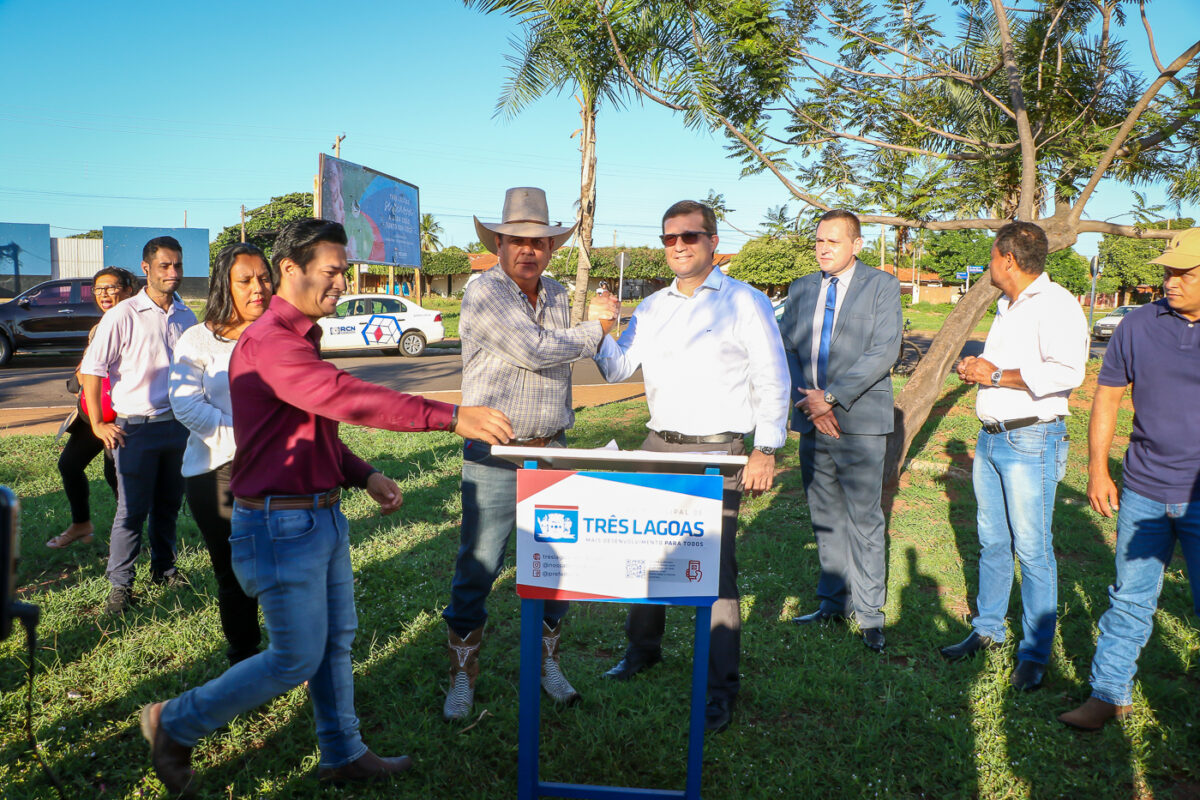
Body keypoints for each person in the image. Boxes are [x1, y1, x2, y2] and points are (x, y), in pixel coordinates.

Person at [139, 219, 512, 795]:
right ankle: (175, 721)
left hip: (318, 515)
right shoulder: (270, 344)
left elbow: (313, 430)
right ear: (292, 270)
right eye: (333, 271)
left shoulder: (297, 337)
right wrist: (449, 414)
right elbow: (344, 397)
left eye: (344, 270)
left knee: (336, 643)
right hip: (280, 524)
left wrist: (363, 474)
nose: (342, 282)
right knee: (293, 657)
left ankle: (342, 753)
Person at [593, 199, 789, 733]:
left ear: (712, 242)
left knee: (715, 569)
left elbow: (773, 377)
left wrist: (765, 448)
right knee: (647, 551)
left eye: (690, 236)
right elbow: (615, 369)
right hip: (659, 445)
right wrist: (604, 327)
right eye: (668, 238)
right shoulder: (653, 307)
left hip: (718, 451)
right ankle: (642, 651)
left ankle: (722, 687)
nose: (678, 245)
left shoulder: (746, 303)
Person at [440, 187, 619, 721]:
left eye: (538, 242)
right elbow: (534, 349)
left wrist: (589, 332)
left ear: (551, 247)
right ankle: (462, 675)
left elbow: (557, 364)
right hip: (496, 451)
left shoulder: (559, 293)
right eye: (516, 240)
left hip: (551, 450)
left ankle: (548, 663)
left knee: (554, 562)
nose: (528, 250)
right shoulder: (483, 292)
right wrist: (597, 330)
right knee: (480, 564)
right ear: (498, 242)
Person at [1058, 228, 1200, 730]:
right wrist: (1097, 469)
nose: (1170, 281)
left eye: (1183, 272)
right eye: (1167, 271)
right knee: (1130, 597)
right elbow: (1109, 396)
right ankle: (1109, 694)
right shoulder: (1138, 324)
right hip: (1142, 487)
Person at [939, 221, 1088, 692]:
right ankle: (987, 630)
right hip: (992, 439)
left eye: (990, 256)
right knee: (993, 541)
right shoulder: (1008, 304)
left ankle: (1034, 654)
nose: (988, 264)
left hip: (1032, 441)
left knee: (1033, 549)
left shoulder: (1058, 304)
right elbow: (1000, 370)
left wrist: (996, 374)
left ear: (1007, 258)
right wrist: (977, 369)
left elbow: (1069, 372)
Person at [779, 209, 901, 652]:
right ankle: (832, 604)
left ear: (857, 244)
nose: (823, 248)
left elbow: (884, 350)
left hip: (861, 422)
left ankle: (869, 615)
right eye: (818, 241)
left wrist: (829, 398)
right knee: (825, 515)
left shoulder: (882, 286)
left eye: (832, 241)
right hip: (814, 420)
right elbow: (787, 348)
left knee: (865, 519)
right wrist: (811, 402)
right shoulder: (802, 288)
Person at [80, 237, 197, 614]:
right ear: (146, 268)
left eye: (177, 265)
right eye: (165, 266)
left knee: (167, 506)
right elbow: (92, 370)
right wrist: (98, 423)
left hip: (177, 428)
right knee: (130, 512)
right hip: (135, 429)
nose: (173, 273)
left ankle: (164, 568)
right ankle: (120, 586)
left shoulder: (186, 316)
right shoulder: (123, 314)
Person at [168, 243, 272, 666]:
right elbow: (185, 403)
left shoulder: (282, 334)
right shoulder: (197, 340)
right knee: (234, 572)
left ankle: (292, 654)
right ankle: (245, 659)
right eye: (244, 280)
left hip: (278, 469)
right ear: (224, 286)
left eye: (264, 278)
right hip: (218, 473)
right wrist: (248, 438)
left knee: (283, 566)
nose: (257, 288)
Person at [49, 267, 139, 548]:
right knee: (70, 464)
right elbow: (83, 376)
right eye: (98, 289)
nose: (104, 294)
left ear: (128, 290)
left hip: (122, 414)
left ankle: (127, 538)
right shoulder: (99, 327)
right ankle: (81, 525)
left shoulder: (135, 322)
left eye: (111, 288)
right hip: (94, 415)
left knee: (115, 477)